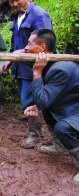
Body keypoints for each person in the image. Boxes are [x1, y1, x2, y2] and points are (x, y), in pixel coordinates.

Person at [23, 29, 79, 181]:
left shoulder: (59, 69)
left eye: (29, 44)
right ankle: (59, 145)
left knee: (63, 128)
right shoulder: (52, 64)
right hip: (72, 105)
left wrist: (36, 73)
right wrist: (36, 105)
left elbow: (44, 99)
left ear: (42, 47)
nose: (26, 48)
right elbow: (48, 96)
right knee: (45, 107)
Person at [0, 0, 54, 147]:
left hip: (34, 66)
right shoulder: (16, 16)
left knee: (31, 98)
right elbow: (15, 42)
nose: (14, 4)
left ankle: (35, 133)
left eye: (17, 0)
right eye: (11, 1)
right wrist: (10, 59)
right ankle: (33, 123)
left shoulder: (39, 15)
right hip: (21, 66)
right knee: (26, 98)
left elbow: (45, 43)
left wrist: (19, 53)